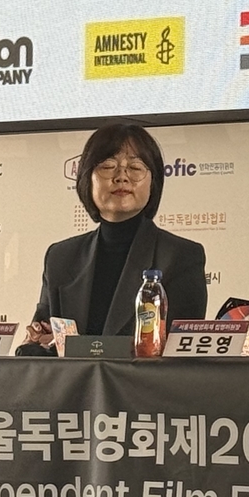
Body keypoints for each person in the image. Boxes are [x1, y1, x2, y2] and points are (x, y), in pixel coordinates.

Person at [17, 123, 207, 354]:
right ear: (87, 179)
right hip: (71, 379)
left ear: (153, 182)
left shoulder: (181, 256)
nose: (121, 177)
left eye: (135, 168)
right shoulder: (60, 257)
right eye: (108, 166)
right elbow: (43, 340)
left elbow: (180, 355)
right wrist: (37, 340)